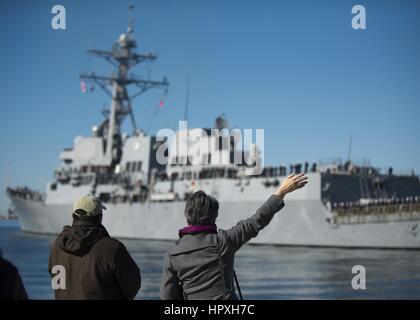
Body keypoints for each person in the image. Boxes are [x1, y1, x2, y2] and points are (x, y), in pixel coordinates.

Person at [160, 172, 308, 300]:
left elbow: (167, 297)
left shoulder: (172, 254)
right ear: (214, 217)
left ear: (187, 215)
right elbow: (257, 220)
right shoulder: (224, 241)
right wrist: (282, 191)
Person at [48, 195, 141, 300]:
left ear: (73, 216)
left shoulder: (55, 246)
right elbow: (133, 285)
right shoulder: (112, 248)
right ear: (100, 217)